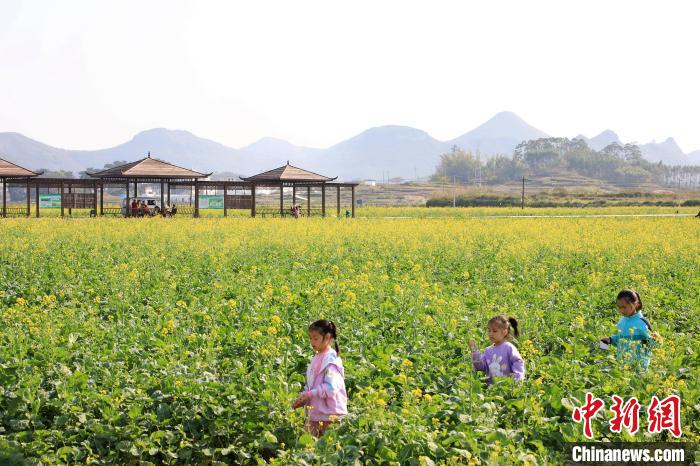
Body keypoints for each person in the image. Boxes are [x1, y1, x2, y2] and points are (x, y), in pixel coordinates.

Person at [292, 319, 348, 437]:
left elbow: (331, 388)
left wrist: (310, 394)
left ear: (327, 337)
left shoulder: (331, 360)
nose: (312, 342)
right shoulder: (316, 357)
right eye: (310, 338)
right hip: (315, 413)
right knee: (307, 448)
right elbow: (311, 384)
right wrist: (303, 398)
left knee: (329, 450)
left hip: (330, 415)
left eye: (315, 338)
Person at [600, 289, 658, 369]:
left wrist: (655, 339)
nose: (621, 310)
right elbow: (622, 339)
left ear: (635, 304)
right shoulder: (622, 321)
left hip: (638, 366)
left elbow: (653, 344)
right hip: (622, 363)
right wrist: (611, 340)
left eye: (624, 307)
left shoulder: (642, 322)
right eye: (619, 307)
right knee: (603, 366)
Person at [469, 315, 525, 384]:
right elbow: (480, 366)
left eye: (495, 331)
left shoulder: (509, 348)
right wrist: (474, 350)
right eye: (489, 330)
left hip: (507, 389)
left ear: (504, 332)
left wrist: (517, 381)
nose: (491, 334)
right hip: (492, 391)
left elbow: (518, 363)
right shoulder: (488, 350)